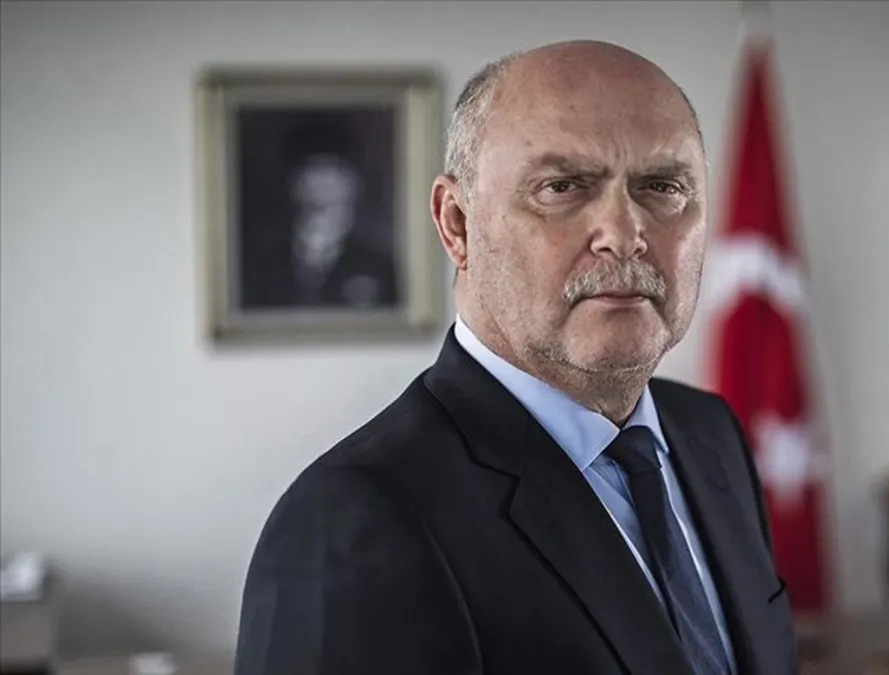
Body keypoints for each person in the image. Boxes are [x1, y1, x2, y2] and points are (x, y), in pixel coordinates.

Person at [233, 40, 798, 675]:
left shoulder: (711, 435)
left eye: (662, 186)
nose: (624, 234)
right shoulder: (350, 523)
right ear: (457, 225)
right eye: (563, 187)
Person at [239, 149, 398, 310]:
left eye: (333, 205)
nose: (320, 220)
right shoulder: (262, 262)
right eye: (313, 208)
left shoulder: (377, 266)